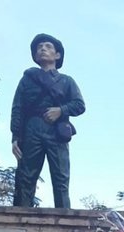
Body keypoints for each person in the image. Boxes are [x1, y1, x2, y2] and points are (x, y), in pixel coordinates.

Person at [11, 33, 85, 208]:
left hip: (57, 130)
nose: (43, 49)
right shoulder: (27, 79)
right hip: (32, 129)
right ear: (36, 56)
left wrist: (61, 110)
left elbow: (79, 105)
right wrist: (15, 136)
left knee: (61, 177)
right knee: (26, 177)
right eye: (39, 47)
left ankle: (64, 219)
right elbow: (17, 108)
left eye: (48, 46)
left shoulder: (67, 81)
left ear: (57, 55)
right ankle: (20, 216)